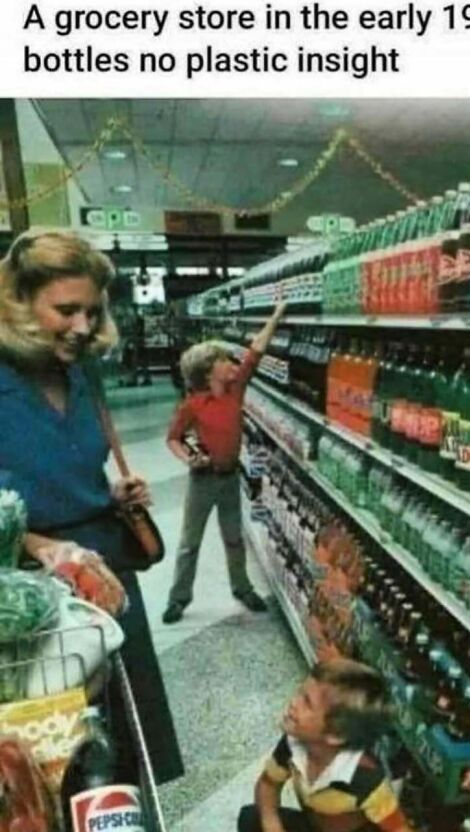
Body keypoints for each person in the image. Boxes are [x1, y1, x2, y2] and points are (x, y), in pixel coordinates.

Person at [0, 228, 184, 784]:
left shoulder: (82, 373)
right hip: (27, 592)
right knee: (47, 751)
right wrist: (36, 543)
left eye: (91, 310)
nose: (82, 326)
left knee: (123, 741)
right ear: (18, 303)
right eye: (65, 310)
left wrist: (110, 494)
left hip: (104, 573)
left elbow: (68, 459)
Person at [162, 302, 286, 624]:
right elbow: (173, 438)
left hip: (231, 478)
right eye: (221, 359)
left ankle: (241, 587)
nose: (231, 362)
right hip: (202, 481)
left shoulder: (236, 390)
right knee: (190, 542)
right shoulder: (192, 405)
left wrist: (276, 315)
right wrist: (189, 457)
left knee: (234, 537)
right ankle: (178, 598)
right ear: (207, 371)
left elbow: (255, 351)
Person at [238, 658, 415, 832]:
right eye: (300, 692)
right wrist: (272, 825)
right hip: (314, 824)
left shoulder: (368, 781)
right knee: (250, 819)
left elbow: (398, 828)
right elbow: (268, 785)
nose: (293, 702)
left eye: (307, 702)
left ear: (335, 734)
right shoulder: (294, 742)